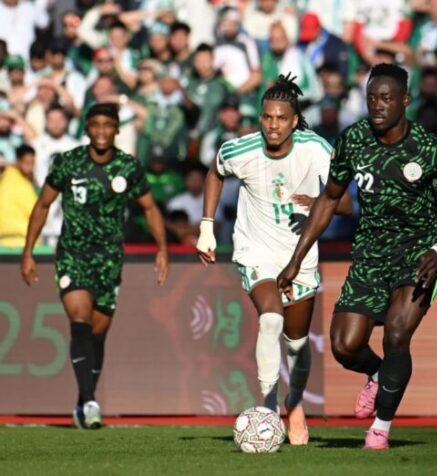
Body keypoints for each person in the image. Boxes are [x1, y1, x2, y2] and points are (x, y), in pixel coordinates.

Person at [277, 63, 437, 450]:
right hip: (370, 253)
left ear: (405, 101)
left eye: (386, 98)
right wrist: (296, 259)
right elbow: (330, 198)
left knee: (397, 334)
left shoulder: (431, 149)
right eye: (371, 98)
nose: (377, 105)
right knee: (344, 346)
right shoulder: (353, 140)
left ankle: (380, 427)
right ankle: (379, 374)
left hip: (419, 253)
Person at [196, 74, 352, 446]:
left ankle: (294, 403)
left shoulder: (315, 149)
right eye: (267, 117)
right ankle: (267, 409)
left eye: (282, 118)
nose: (273, 125)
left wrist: (318, 203)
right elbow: (215, 172)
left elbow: (345, 204)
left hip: (299, 254)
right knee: (270, 319)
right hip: (256, 250)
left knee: (296, 342)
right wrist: (206, 226)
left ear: (295, 120)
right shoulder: (242, 150)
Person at [21, 103, 169, 430]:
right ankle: (89, 402)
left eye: (108, 125)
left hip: (109, 258)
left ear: (116, 129)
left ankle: (83, 401)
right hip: (73, 254)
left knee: (98, 334)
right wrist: (28, 251)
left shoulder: (128, 166)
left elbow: (149, 207)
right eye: (95, 125)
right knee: (80, 320)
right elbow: (43, 204)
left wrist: (162, 249)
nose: (101, 131)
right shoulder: (68, 162)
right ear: (86, 128)